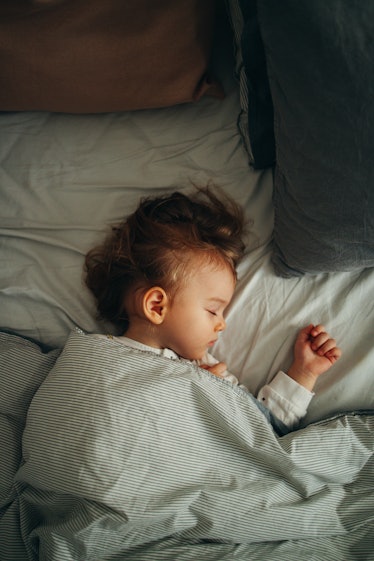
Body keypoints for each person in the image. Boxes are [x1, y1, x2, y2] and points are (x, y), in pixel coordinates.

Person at [85, 186, 341, 431]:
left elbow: (263, 432)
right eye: (212, 310)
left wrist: (304, 372)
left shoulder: (208, 373)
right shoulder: (93, 355)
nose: (222, 324)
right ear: (156, 306)